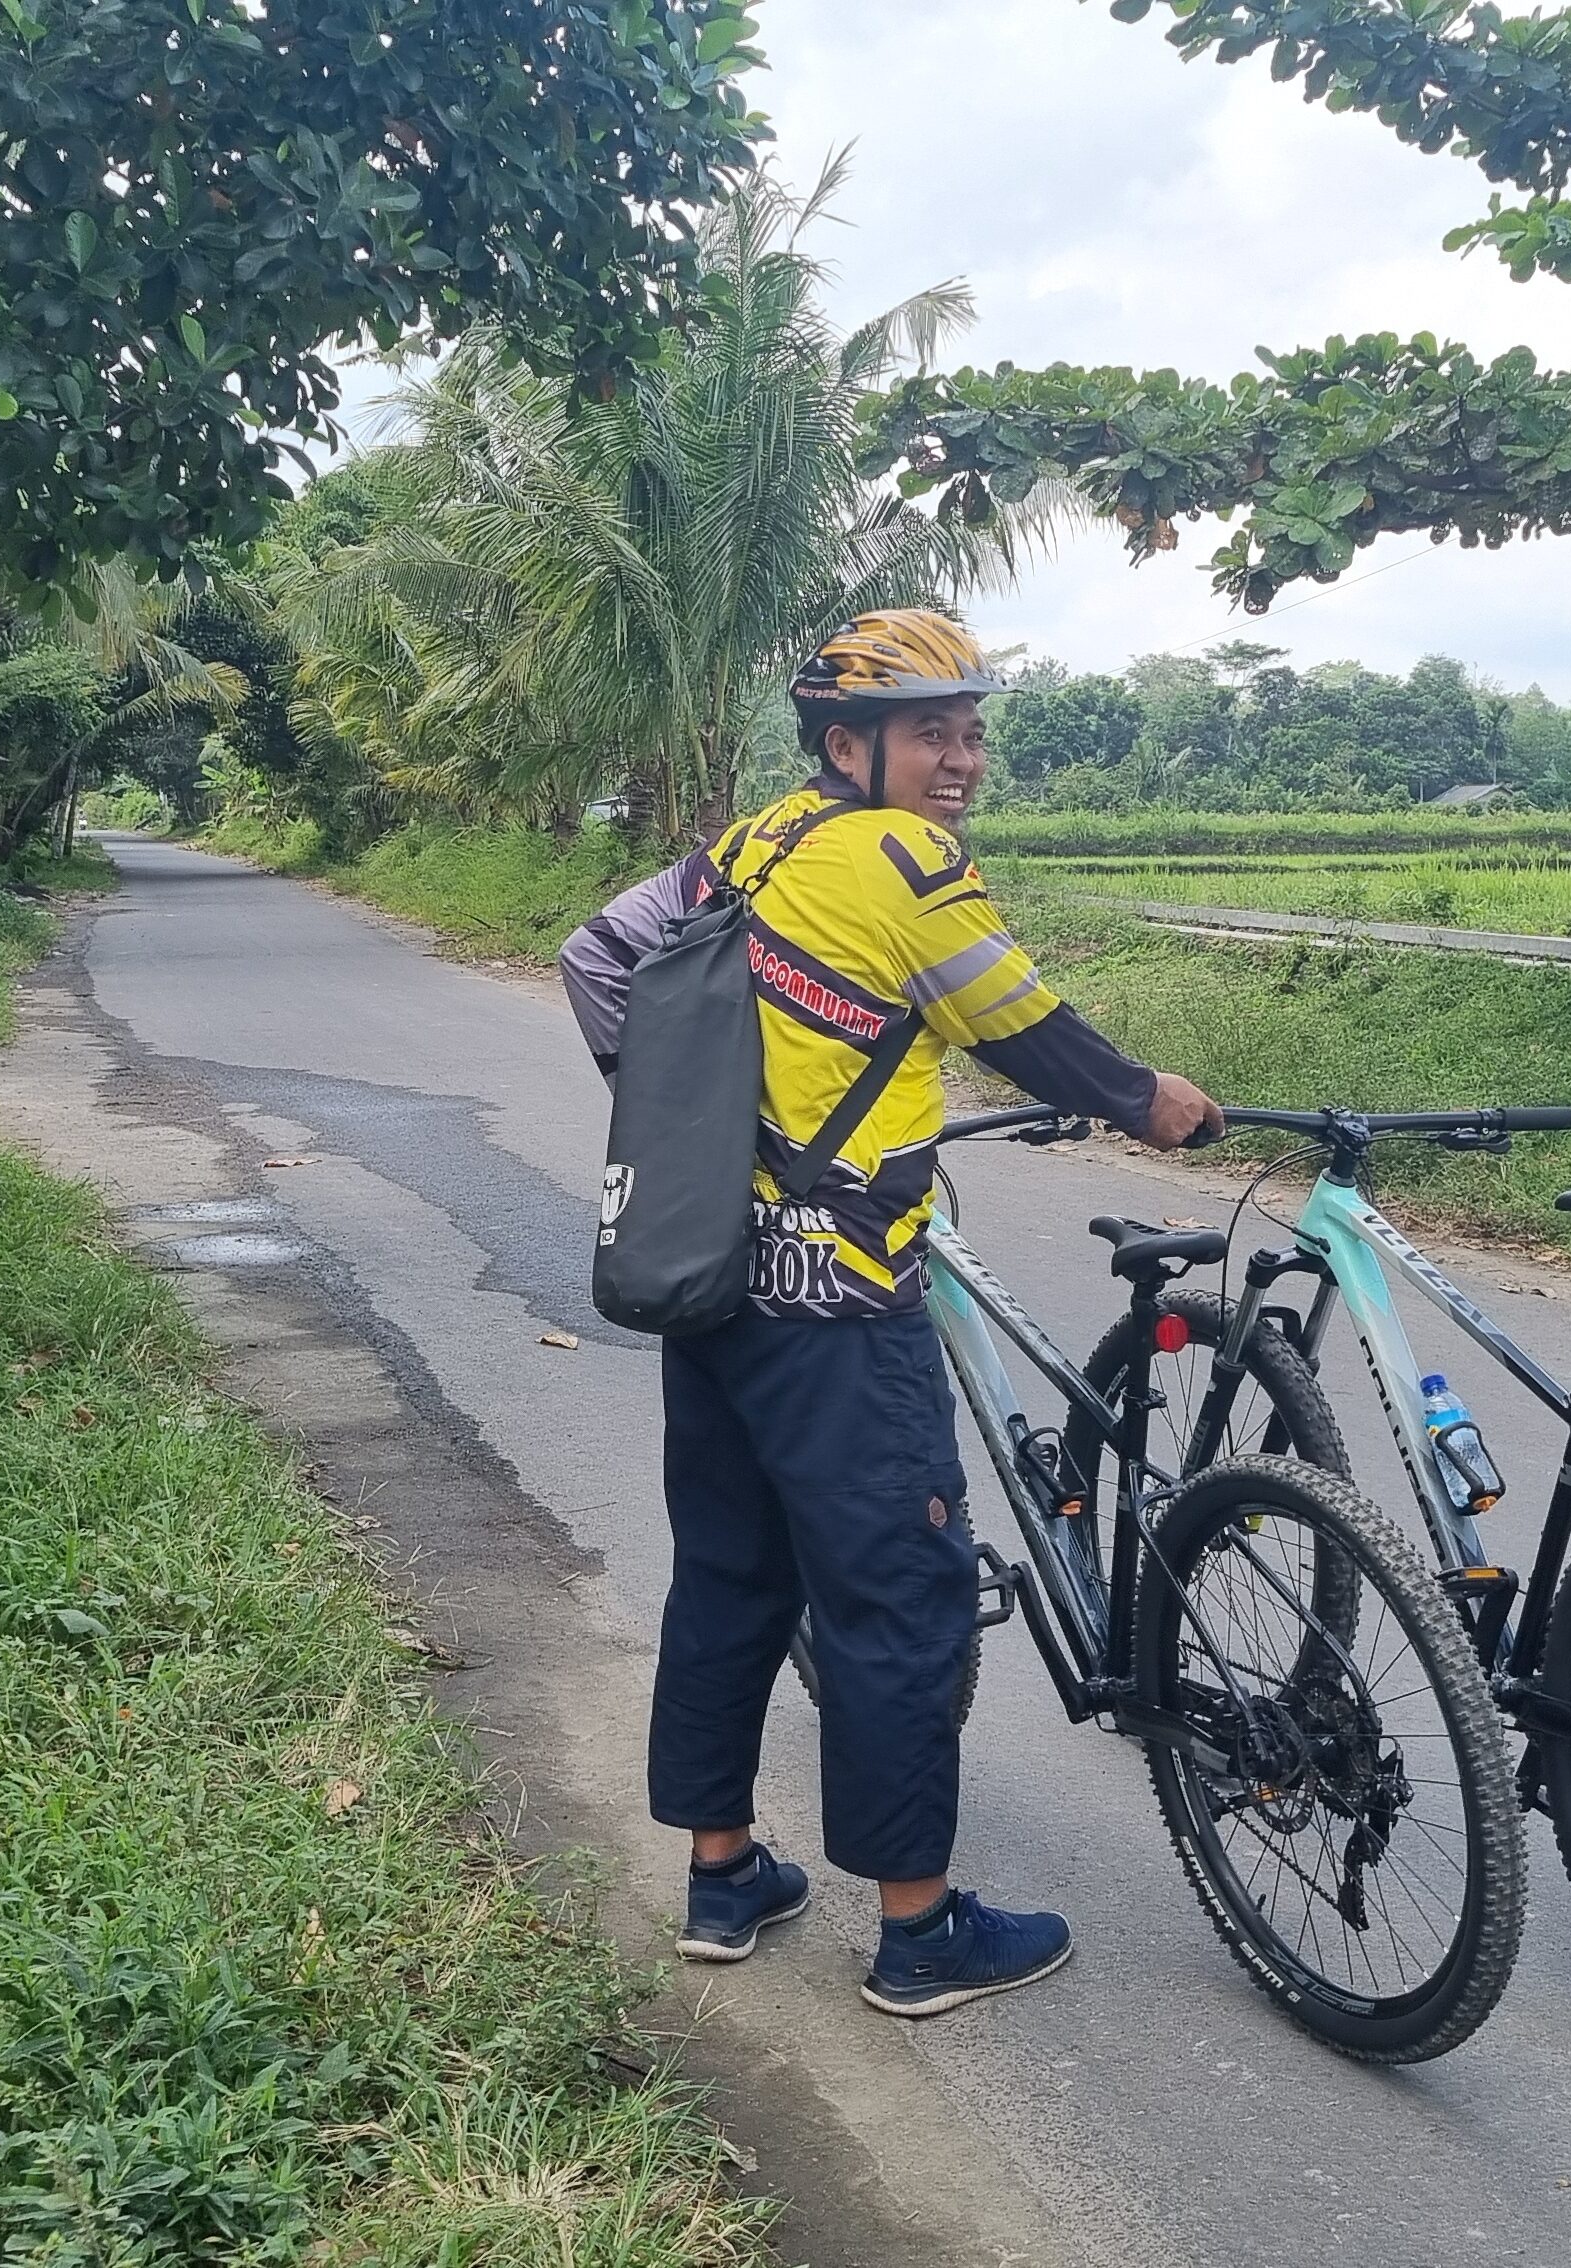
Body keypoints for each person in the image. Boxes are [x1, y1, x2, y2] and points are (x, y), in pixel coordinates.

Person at [557, 609, 1221, 2017]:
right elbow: (1024, 1026)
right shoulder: (902, 857)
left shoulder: (754, 845)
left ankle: (723, 1876)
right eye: (933, 732)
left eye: (972, 731)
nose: (961, 759)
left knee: (735, 1574)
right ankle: (919, 1931)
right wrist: (1152, 1102)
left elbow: (596, 961)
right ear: (848, 742)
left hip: (716, 1283)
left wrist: (695, 1126)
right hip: (847, 1303)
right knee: (902, 1597)